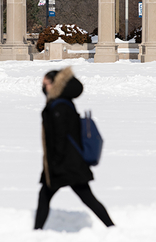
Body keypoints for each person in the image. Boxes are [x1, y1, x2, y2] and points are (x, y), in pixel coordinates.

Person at [34, 66, 114, 229]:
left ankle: (112, 228)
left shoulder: (58, 106)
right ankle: (111, 228)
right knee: (52, 196)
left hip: (66, 164)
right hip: (68, 163)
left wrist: (55, 162)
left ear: (54, 84)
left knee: (84, 198)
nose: (43, 87)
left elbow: (60, 138)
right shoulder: (62, 103)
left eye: (46, 83)